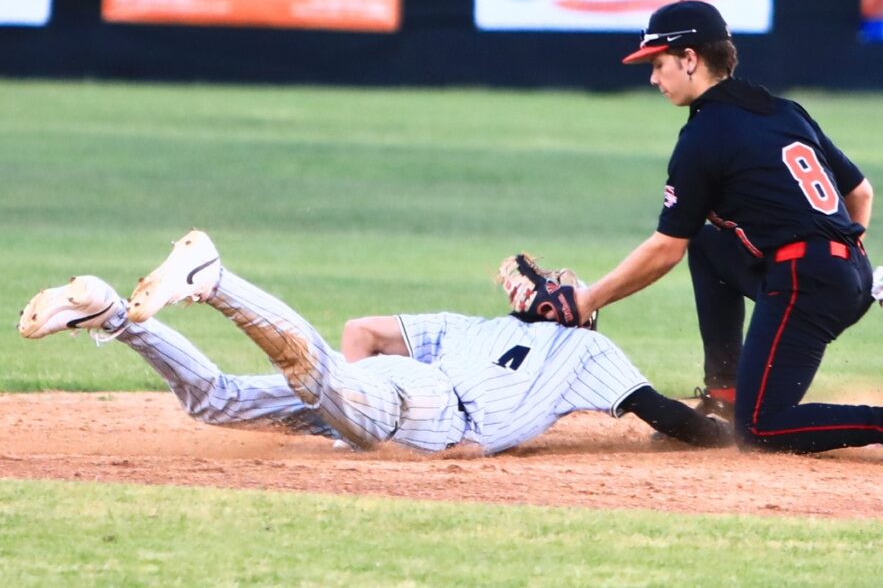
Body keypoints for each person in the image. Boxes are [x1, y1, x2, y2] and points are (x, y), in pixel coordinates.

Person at [563, 0, 883, 463]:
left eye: (658, 63)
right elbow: (861, 194)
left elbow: (665, 249)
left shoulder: (703, 136)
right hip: (851, 275)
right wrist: (844, 260)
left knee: (762, 428)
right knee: (708, 246)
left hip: (805, 282)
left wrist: (586, 301)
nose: (653, 77)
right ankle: (724, 396)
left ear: (690, 59)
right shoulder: (785, 111)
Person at [17, 230, 731, 454]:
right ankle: (215, 277)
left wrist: (344, 413)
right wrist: (726, 436)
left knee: (218, 401)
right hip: (429, 409)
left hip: (395, 393)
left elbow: (363, 333)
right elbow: (661, 412)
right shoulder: (587, 351)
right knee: (316, 376)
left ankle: (109, 312)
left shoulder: (474, 326)